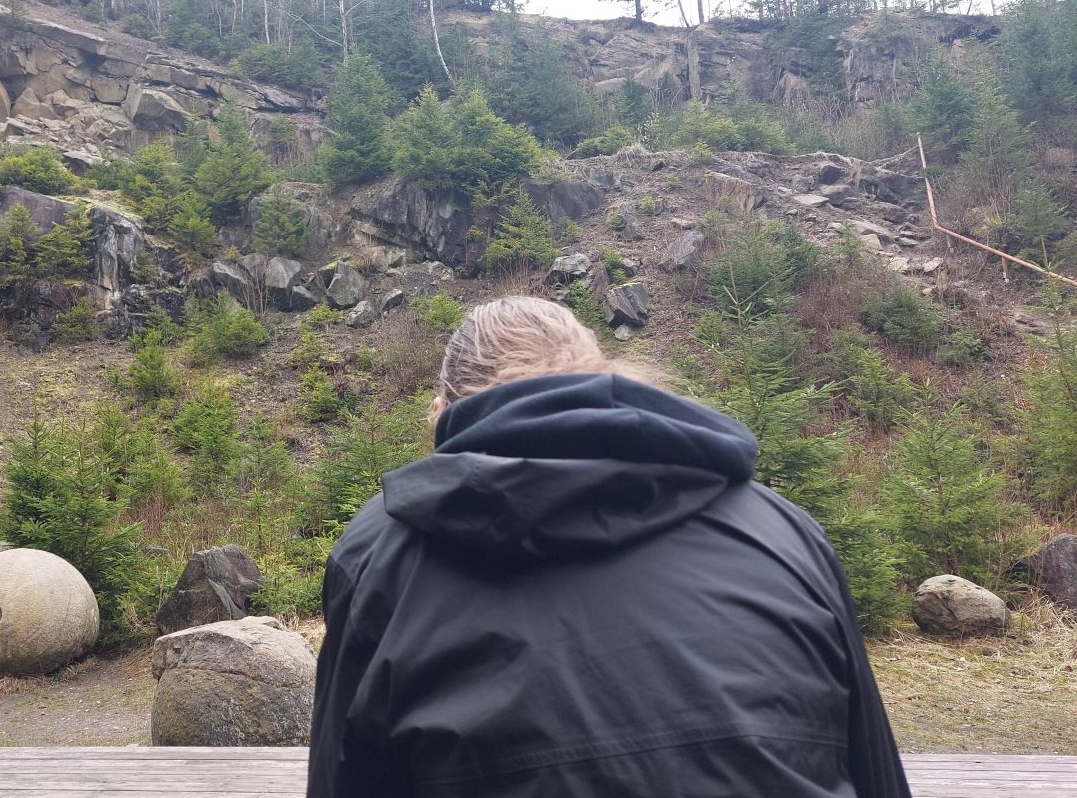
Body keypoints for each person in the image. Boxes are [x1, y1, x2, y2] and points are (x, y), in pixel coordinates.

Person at [308, 295, 911, 798]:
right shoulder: (782, 528)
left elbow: (348, 777)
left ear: (443, 412)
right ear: (603, 379)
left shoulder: (380, 551)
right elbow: (875, 768)